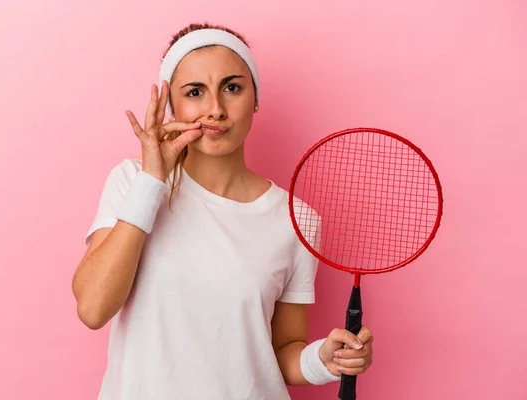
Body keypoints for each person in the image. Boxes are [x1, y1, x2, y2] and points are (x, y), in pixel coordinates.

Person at [72, 23, 374, 400]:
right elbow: (93, 308)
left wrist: (323, 361)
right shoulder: (134, 180)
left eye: (232, 88)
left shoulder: (297, 219)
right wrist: (153, 180)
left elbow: (281, 352)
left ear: (255, 98)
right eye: (195, 92)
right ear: (171, 106)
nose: (215, 109)